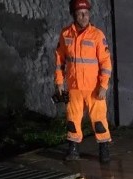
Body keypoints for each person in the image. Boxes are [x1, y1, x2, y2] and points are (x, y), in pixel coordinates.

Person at [54, 0, 113, 163]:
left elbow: (106, 63)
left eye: (86, 13)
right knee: (72, 118)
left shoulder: (97, 35)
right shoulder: (66, 34)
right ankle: (73, 149)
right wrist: (59, 82)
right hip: (74, 87)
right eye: (80, 13)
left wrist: (103, 85)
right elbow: (60, 60)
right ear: (73, 14)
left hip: (94, 88)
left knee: (99, 119)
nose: (84, 16)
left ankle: (104, 149)